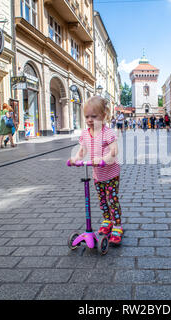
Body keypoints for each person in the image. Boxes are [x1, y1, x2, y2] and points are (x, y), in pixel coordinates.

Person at [68, 96, 123, 244]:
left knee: (112, 199)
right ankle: (107, 220)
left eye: (94, 116)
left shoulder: (108, 132)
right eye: (87, 116)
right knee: (102, 200)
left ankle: (117, 225)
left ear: (104, 116)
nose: (90, 120)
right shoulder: (85, 133)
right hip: (97, 175)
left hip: (111, 173)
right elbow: (82, 150)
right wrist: (75, 159)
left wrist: (104, 159)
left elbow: (114, 151)